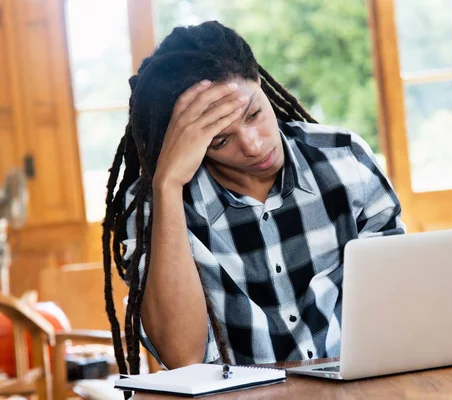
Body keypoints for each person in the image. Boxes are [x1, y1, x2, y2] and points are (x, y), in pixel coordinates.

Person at [102, 20, 405, 376]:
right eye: (220, 140)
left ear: (260, 84)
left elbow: (401, 305)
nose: (254, 145)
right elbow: (181, 356)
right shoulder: (153, 207)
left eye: (255, 114)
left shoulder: (345, 160)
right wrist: (167, 185)